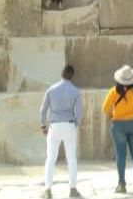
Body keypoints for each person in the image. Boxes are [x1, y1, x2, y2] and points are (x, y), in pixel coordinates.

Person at [41, 65, 83, 198]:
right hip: (69, 125)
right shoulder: (76, 91)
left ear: (61, 74)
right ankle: (73, 190)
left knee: (50, 159)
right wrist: (75, 123)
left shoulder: (51, 89)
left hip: (54, 126)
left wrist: (43, 126)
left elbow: (43, 110)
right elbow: (79, 113)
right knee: (71, 158)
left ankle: (47, 190)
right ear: (72, 76)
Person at [102, 65, 133, 193]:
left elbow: (105, 108)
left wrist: (112, 117)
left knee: (121, 154)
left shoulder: (114, 91)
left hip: (119, 125)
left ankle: (121, 184)